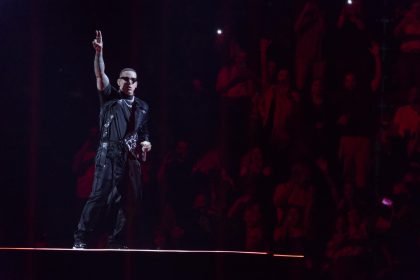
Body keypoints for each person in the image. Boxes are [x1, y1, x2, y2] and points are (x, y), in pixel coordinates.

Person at [73, 30, 151, 249]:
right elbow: (100, 75)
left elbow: (143, 131)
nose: (129, 82)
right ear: (119, 81)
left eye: (133, 80)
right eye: (125, 78)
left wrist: (146, 142)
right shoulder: (110, 97)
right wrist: (99, 54)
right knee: (99, 196)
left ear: (137, 84)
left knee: (131, 200)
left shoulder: (143, 106)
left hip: (130, 157)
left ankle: (118, 241)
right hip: (109, 153)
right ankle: (81, 238)